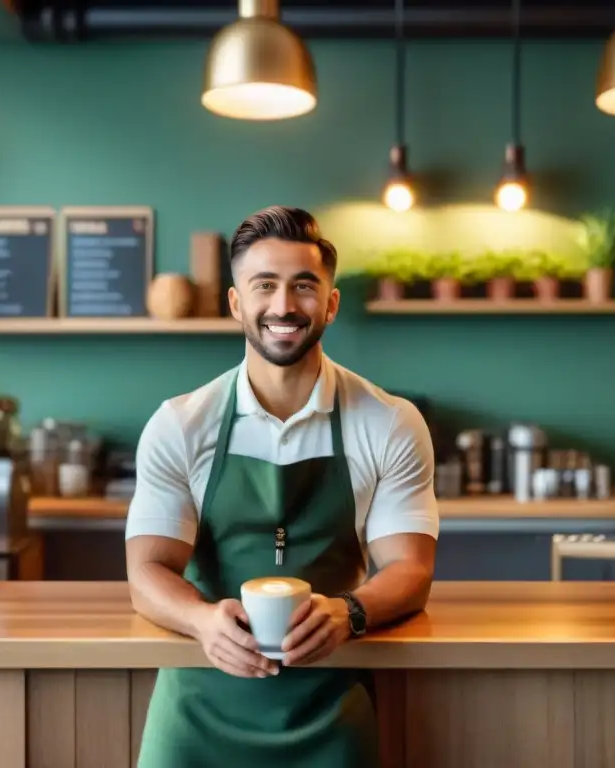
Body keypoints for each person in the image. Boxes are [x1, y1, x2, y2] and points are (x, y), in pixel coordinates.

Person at [125, 205, 439, 767]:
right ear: (236, 303)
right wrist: (201, 621)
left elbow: (411, 570)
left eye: (304, 286)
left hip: (330, 709)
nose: (284, 306)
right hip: (198, 712)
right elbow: (146, 571)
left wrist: (350, 612)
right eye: (264, 285)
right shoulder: (180, 423)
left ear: (332, 303)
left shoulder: (389, 422)